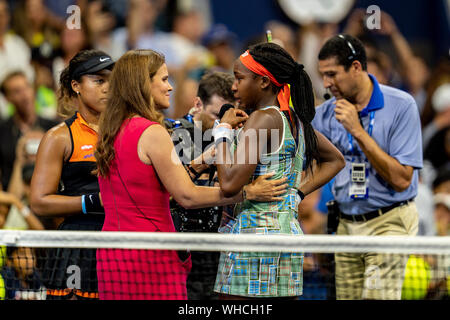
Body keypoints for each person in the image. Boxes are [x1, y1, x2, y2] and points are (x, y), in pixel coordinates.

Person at [94, 49, 287, 300]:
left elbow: (147, 188)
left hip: (113, 257)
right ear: (143, 84)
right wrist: (248, 192)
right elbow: (188, 196)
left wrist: (198, 163)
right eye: (164, 79)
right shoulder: (153, 133)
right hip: (152, 257)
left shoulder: (111, 130)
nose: (170, 87)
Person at [211, 42, 345, 299]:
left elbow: (228, 184)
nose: (233, 86)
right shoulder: (294, 121)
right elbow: (335, 160)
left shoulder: (263, 119)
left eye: (239, 78)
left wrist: (222, 132)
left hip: (253, 240)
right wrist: (296, 194)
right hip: (288, 237)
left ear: (263, 82)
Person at [312, 34, 423, 300]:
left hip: (389, 224)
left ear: (356, 67)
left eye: (332, 74)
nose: (326, 83)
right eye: (322, 75)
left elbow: (402, 180)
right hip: (346, 225)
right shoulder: (326, 113)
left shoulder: (401, 106)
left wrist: (358, 132)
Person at [166, 71, 288, 300]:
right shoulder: (173, 133)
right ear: (198, 104)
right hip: (181, 250)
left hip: (219, 248)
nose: (222, 124)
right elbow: (171, 194)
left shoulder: (239, 133)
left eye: (230, 117)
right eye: (216, 116)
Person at [30, 49, 115, 300]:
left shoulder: (128, 130)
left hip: (122, 240)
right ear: (76, 85)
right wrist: (92, 201)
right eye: (99, 80)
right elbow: (39, 201)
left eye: (111, 80)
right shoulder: (59, 137)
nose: (107, 87)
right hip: (79, 246)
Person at [0, 71, 58, 191]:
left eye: (27, 87)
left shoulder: (54, 127)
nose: (25, 95)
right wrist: (19, 159)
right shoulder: (2, 132)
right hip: (14, 197)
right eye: (17, 91)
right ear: (7, 98)